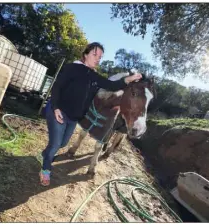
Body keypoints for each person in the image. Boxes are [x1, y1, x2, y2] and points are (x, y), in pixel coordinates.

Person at [40, 42, 142, 186]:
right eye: (95, 55)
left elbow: (111, 85)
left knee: (62, 143)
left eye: (100, 57)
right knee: (56, 144)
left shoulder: (93, 76)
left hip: (73, 117)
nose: (97, 59)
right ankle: (45, 169)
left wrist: (129, 79)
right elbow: (57, 87)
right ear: (85, 54)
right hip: (59, 111)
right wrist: (55, 108)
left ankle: (46, 154)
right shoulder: (72, 68)